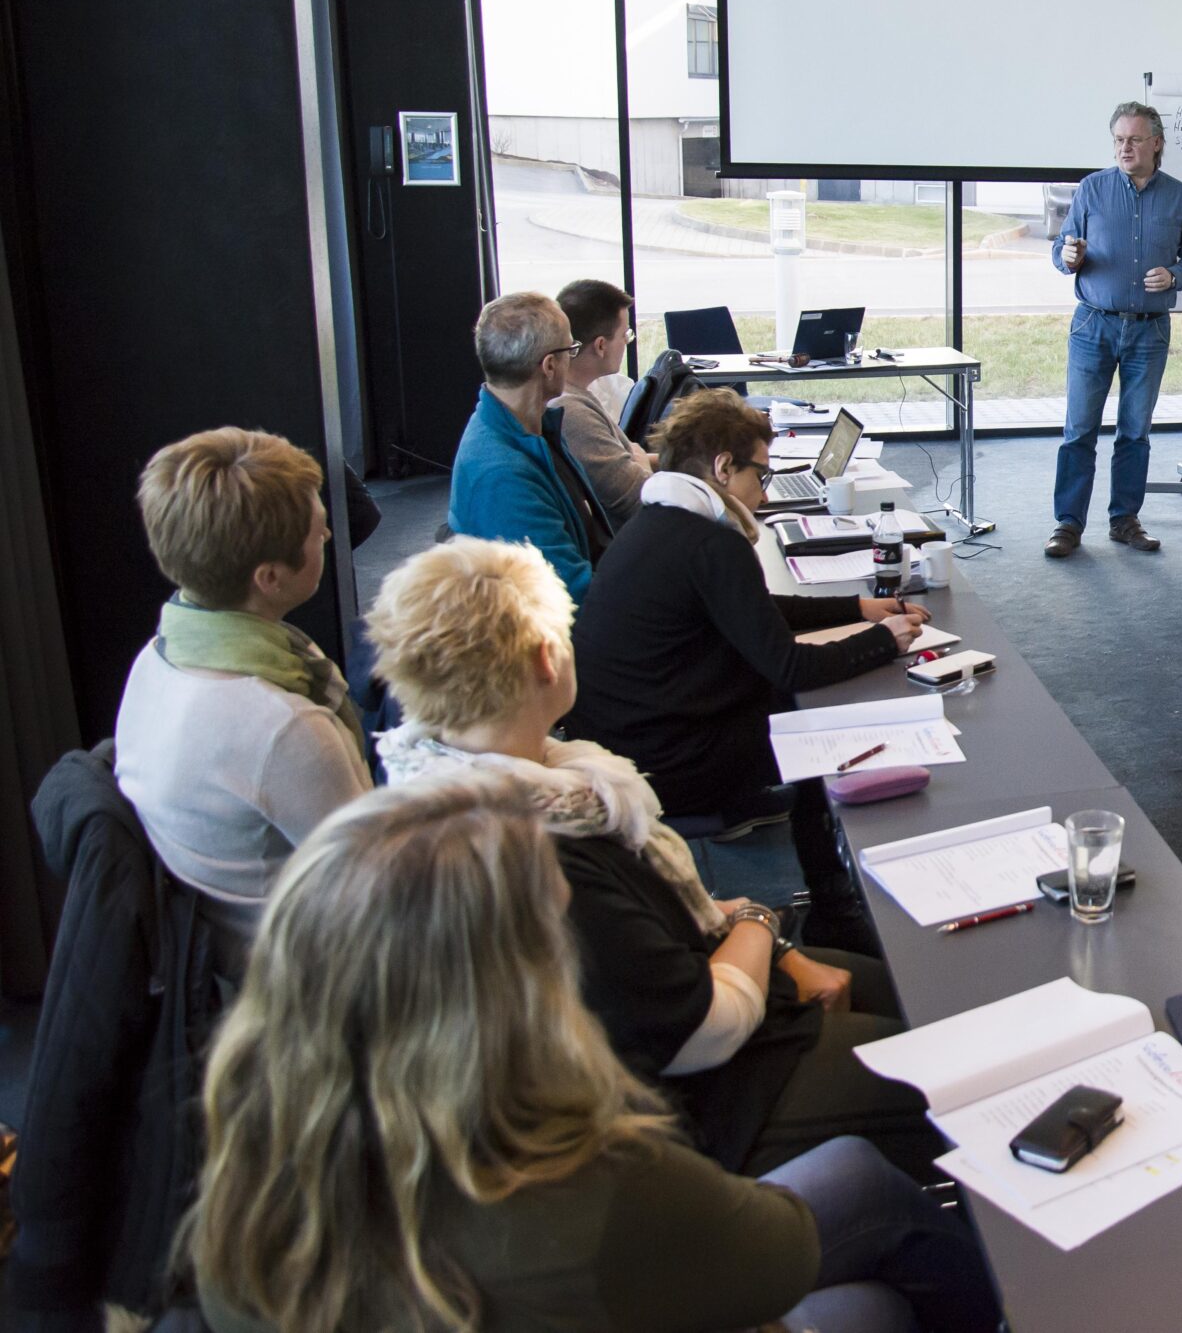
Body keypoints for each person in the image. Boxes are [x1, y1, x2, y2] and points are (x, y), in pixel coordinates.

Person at [184, 770, 1001, 1333]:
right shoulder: (586, 1181)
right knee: (872, 1293)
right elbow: (774, 1255)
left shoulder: (247, 1201)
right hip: (687, 1248)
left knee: (856, 1188)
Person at [365, 538, 945, 1183]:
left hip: (687, 994)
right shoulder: (533, 845)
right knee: (943, 1063)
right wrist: (760, 922)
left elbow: (656, 928)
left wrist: (764, 942)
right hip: (694, 1098)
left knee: (912, 991)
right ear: (546, 659)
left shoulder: (504, 787)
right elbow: (701, 1030)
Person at [563, 389, 926, 950]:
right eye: (762, 475)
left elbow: (747, 607)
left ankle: (830, 893)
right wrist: (882, 640)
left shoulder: (657, 521)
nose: (765, 491)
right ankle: (834, 905)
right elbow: (789, 666)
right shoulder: (711, 543)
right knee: (811, 726)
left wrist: (856, 609)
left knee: (792, 706)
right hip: (666, 760)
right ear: (723, 468)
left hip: (626, 741)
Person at [112, 428, 371, 964]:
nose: (326, 534)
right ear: (271, 578)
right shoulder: (284, 727)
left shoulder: (157, 660)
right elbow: (379, 887)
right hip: (310, 976)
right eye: (317, 532)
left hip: (227, 952)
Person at [1046, 100, 1182, 558]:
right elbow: (1063, 247)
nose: (1125, 148)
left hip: (1148, 331)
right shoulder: (1092, 189)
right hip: (1093, 326)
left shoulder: (1180, 197)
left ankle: (1124, 520)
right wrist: (1069, 257)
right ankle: (1068, 524)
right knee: (1079, 429)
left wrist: (1176, 275)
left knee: (1134, 432)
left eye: (1134, 140)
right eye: (1119, 140)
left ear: (1156, 144)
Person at [449, 291, 604, 601]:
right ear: (549, 366)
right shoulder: (502, 476)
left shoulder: (533, 429)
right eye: (571, 349)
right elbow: (570, 594)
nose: (572, 357)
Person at [555, 277, 656, 526]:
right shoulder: (572, 413)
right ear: (601, 345)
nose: (627, 342)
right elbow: (642, 501)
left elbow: (628, 458)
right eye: (626, 335)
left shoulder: (580, 393)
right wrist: (642, 462)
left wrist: (692, 459)